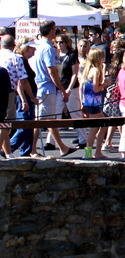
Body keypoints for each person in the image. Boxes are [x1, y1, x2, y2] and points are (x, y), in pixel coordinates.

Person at [31, 21, 74, 157]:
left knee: (45, 119)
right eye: (55, 30)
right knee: (46, 119)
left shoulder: (39, 45)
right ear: (51, 31)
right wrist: (62, 90)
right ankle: (34, 149)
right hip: (47, 87)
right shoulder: (48, 48)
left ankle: (60, 147)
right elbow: (52, 71)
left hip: (42, 85)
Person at [78, 47, 107, 159]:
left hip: (89, 102)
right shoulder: (96, 71)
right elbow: (96, 89)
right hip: (94, 103)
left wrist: (82, 103)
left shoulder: (88, 69)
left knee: (100, 126)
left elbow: (82, 87)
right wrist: (105, 84)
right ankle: (91, 153)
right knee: (95, 128)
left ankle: (95, 152)